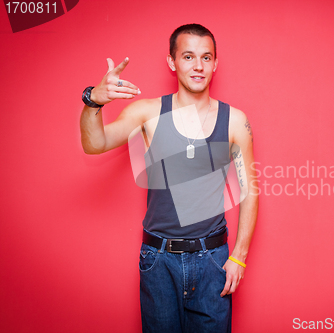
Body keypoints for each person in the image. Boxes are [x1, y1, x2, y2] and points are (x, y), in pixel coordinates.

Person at [79, 23, 258, 333]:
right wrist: (93, 100)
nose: (198, 66)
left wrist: (239, 257)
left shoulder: (235, 121)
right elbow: (94, 144)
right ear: (172, 62)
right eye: (188, 56)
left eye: (206, 57)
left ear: (215, 63)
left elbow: (250, 191)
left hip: (213, 260)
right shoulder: (147, 114)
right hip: (158, 261)